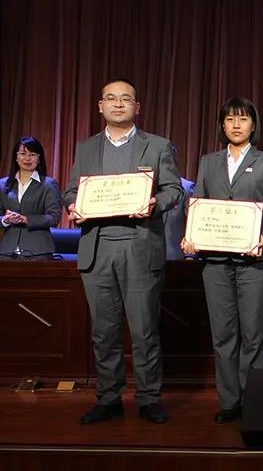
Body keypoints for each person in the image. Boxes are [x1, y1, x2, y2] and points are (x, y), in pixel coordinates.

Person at [63, 78, 183, 424]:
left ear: (137, 107)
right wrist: (73, 205)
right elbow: (71, 191)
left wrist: (153, 203)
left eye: (125, 99)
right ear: (100, 106)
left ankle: (148, 398)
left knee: (144, 330)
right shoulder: (85, 147)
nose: (118, 104)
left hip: (140, 246)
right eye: (111, 99)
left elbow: (174, 190)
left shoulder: (157, 145)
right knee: (103, 332)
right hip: (97, 248)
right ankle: (109, 398)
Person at [180, 97, 263, 424]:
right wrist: (191, 234)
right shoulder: (208, 162)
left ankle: (254, 400)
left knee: (254, 335)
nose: (236, 125)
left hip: (255, 261)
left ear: (253, 125)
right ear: (222, 125)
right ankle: (229, 402)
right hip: (215, 262)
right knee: (223, 335)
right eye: (230, 119)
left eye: (243, 119)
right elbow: (198, 203)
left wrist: (261, 235)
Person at [1, 137, 61, 259]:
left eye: (32, 154)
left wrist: (26, 219)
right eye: (23, 154)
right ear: (16, 157)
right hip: (6, 252)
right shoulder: (3, 184)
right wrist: (5, 220)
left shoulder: (48, 184)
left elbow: (54, 217)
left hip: (38, 251)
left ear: (39, 159)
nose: (27, 158)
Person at [163, 143, 195, 261]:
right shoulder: (143, 185)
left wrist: (190, 256)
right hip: (142, 257)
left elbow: (192, 222)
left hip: (174, 256)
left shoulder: (187, 188)